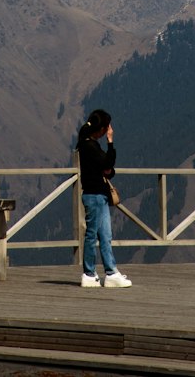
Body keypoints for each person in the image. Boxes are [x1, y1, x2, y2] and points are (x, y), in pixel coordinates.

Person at [76, 108, 131, 288]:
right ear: (101, 129)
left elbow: (107, 169)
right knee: (93, 235)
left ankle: (110, 272)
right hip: (95, 196)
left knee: (105, 235)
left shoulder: (86, 144)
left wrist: (108, 168)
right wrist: (110, 142)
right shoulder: (90, 146)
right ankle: (90, 273)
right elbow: (108, 164)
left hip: (97, 195)